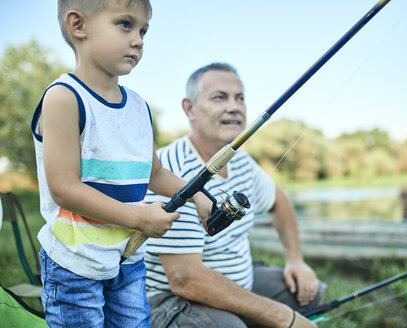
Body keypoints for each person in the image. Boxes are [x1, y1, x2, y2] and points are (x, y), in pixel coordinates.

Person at [30, 1, 211, 327]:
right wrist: (139, 218)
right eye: (125, 25)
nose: (139, 40)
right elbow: (65, 189)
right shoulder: (64, 98)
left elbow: (153, 173)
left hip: (128, 257)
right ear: (78, 25)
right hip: (74, 264)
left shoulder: (139, 108)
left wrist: (197, 195)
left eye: (143, 30)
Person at [144, 63, 326, 328]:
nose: (235, 107)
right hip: (169, 299)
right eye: (220, 97)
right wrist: (283, 317)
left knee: (309, 291)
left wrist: (295, 260)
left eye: (240, 98)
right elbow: (184, 278)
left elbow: (279, 202)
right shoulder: (171, 168)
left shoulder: (242, 161)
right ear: (189, 108)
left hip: (234, 280)